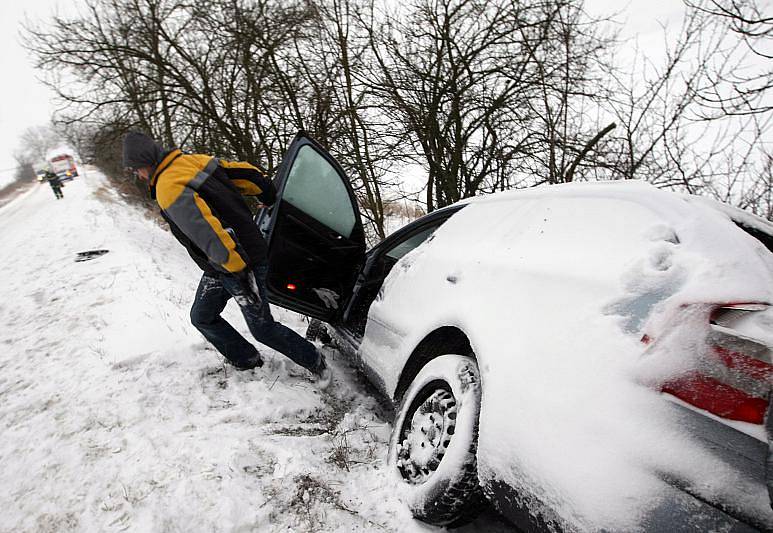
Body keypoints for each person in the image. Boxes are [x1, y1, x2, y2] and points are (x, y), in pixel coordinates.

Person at [122, 131, 331, 388]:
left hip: (238, 263)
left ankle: (315, 360)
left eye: (136, 170)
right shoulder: (193, 161)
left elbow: (209, 233)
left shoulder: (168, 187)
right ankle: (247, 360)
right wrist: (267, 194)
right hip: (225, 262)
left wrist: (238, 272)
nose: (138, 176)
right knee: (202, 316)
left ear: (146, 163)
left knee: (263, 328)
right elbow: (248, 175)